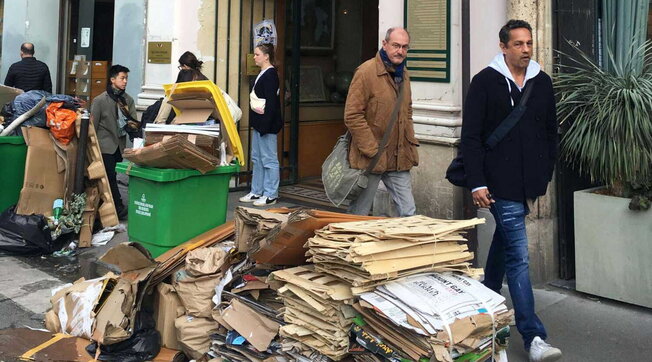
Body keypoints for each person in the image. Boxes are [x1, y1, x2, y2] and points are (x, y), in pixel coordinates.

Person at [461, 20, 561, 362]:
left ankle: (485, 314)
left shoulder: (542, 82)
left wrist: (544, 173)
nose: (526, 49)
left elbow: (551, 132)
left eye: (529, 43)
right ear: (504, 47)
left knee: (504, 247)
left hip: (527, 182)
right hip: (497, 182)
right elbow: (471, 137)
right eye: (518, 44)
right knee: (519, 256)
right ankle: (534, 336)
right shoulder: (485, 82)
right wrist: (477, 181)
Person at [343, 27, 418, 217]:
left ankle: (406, 246)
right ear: (384, 44)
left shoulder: (404, 75)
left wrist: (408, 143)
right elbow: (352, 115)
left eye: (404, 47)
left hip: (398, 157)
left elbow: (407, 111)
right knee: (358, 215)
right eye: (395, 45)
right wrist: (372, 149)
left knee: (409, 213)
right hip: (371, 159)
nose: (400, 51)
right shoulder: (366, 72)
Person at [91, 65, 139, 220]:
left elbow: (134, 122)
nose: (125, 82)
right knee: (109, 175)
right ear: (113, 80)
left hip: (119, 145)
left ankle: (108, 206)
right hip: (104, 145)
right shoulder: (99, 101)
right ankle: (117, 206)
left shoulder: (128, 100)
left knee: (111, 175)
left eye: (126, 79)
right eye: (122, 78)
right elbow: (93, 125)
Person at [239, 43, 282, 207]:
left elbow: (272, 103)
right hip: (259, 123)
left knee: (269, 159)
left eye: (257, 54)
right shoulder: (263, 73)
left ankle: (271, 193)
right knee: (257, 158)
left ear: (266, 56)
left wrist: (265, 124)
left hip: (267, 125)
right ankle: (256, 191)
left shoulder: (270, 74)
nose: (254, 57)